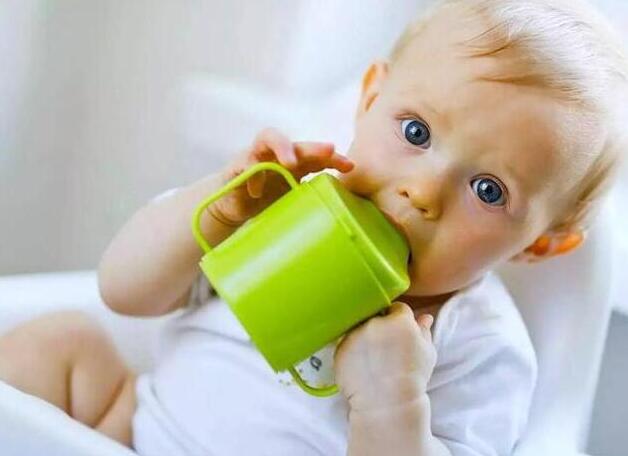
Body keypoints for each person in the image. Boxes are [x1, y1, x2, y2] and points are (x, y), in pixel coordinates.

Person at [2, 1, 627, 454]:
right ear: (371, 99)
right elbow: (123, 293)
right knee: (62, 341)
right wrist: (214, 215)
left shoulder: (480, 350)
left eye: (489, 190)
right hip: (131, 430)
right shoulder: (284, 216)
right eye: (416, 132)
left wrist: (393, 403)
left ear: (541, 243)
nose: (422, 192)